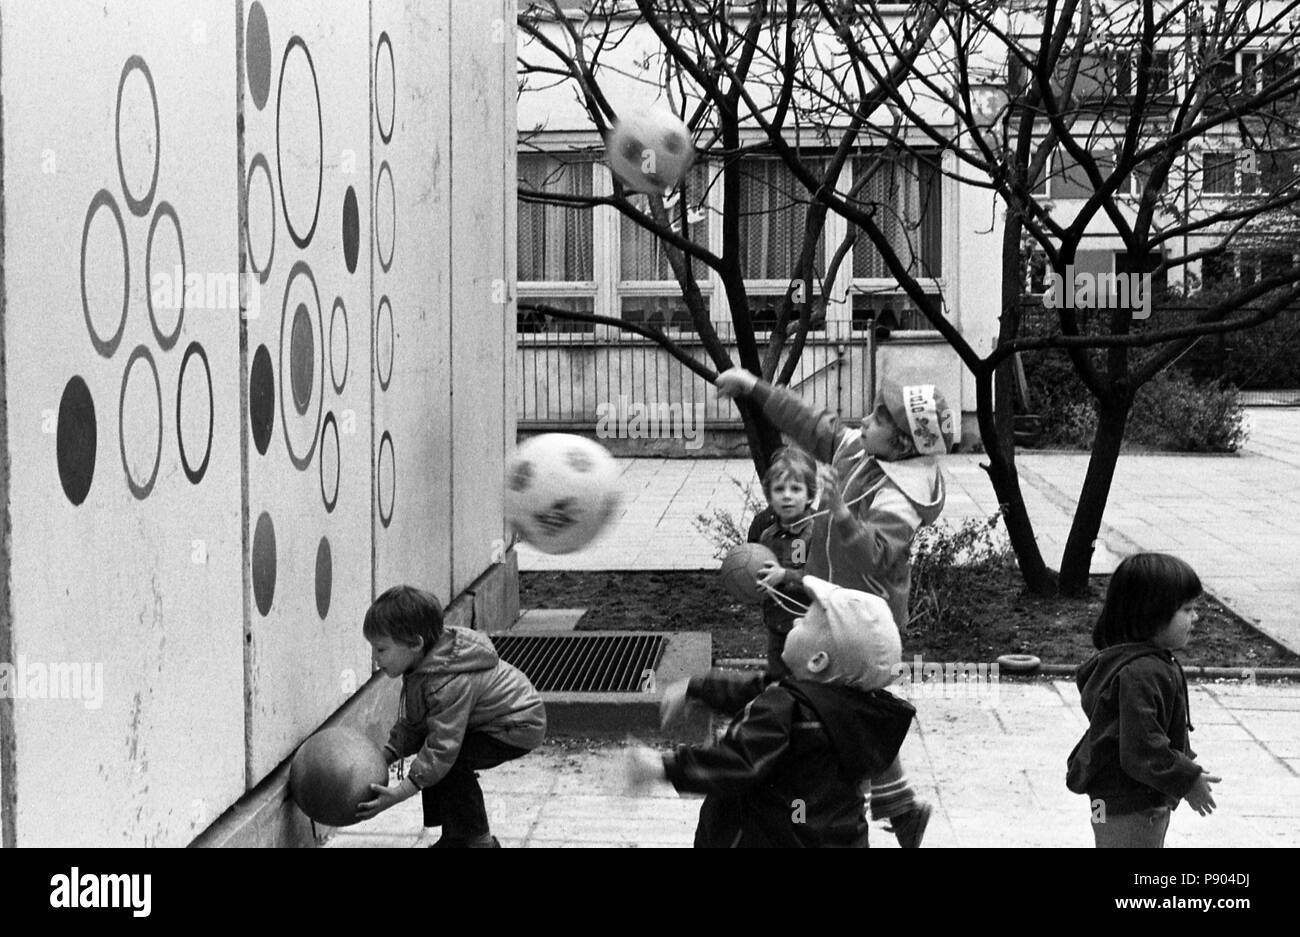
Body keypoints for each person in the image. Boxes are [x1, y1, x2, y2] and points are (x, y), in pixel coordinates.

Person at [716, 368, 953, 847]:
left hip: (860, 623)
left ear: (905, 445)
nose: (866, 419)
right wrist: (755, 388)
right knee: (849, 713)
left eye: (881, 418)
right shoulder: (859, 449)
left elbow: (880, 556)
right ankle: (899, 808)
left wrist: (842, 515)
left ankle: (841, 815)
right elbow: (812, 424)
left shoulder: (899, 497)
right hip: (832, 606)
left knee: (838, 718)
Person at [625, 576, 916, 847]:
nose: (797, 619)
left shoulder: (785, 708)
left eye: (805, 621)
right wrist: (698, 688)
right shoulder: (857, 713)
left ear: (817, 661)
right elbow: (757, 688)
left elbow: (738, 762)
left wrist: (664, 767)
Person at [356, 585, 546, 848]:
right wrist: (385, 755)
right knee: (437, 759)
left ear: (415, 644)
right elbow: (416, 723)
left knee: (448, 761)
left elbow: (442, 749)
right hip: (491, 720)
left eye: (381, 650)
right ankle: (455, 837)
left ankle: (479, 842)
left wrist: (399, 794)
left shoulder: (446, 682)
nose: (375, 659)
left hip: (518, 723)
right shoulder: (422, 665)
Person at [1066, 553, 1220, 848]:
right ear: (1152, 614)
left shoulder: (1135, 662)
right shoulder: (1141, 672)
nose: (1195, 617)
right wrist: (1187, 779)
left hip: (1106, 801)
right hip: (1130, 806)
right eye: (1187, 609)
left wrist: (1184, 760)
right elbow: (1142, 745)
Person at [746, 446, 817, 680]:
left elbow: (821, 577)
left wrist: (784, 575)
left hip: (810, 627)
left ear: (809, 495)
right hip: (776, 624)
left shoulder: (817, 532)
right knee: (777, 678)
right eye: (779, 489)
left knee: (809, 680)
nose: (787, 495)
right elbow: (760, 572)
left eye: (795, 489)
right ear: (769, 497)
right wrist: (755, 582)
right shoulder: (766, 535)